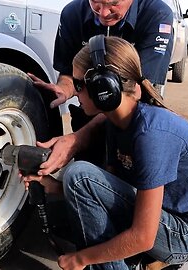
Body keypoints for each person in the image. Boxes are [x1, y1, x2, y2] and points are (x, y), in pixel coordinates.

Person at [24, 36, 188, 270]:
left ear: (103, 88)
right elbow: (109, 191)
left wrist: (80, 259)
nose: (74, 93)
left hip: (184, 233)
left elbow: (143, 236)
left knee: (80, 175)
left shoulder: (151, 133)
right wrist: (55, 186)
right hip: (159, 216)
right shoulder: (115, 122)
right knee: (67, 199)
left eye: (78, 85)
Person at [29, 0, 174, 173]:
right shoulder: (72, 13)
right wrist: (66, 89)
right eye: (96, 2)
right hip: (90, 113)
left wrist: (78, 139)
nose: (103, 13)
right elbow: (68, 72)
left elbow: (136, 93)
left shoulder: (157, 15)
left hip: (131, 117)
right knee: (82, 175)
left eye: (114, 3)